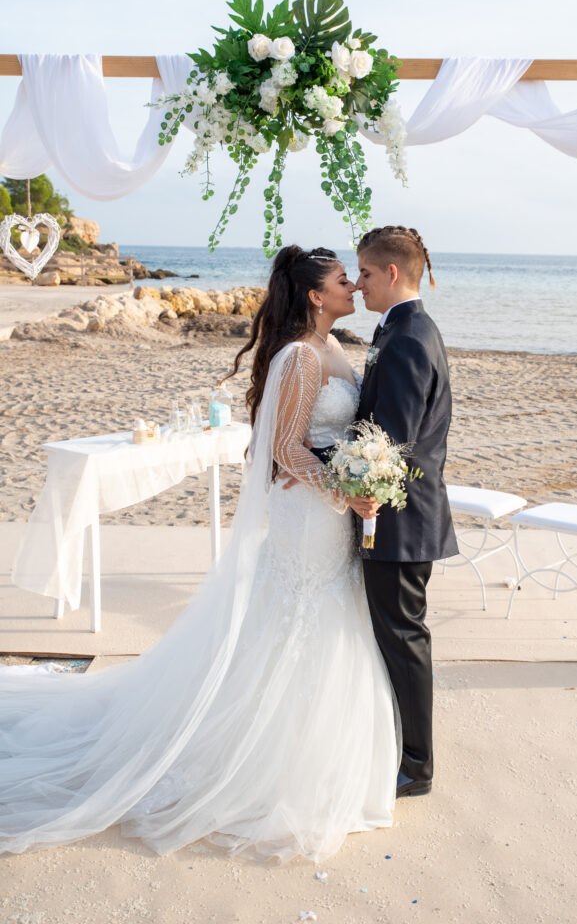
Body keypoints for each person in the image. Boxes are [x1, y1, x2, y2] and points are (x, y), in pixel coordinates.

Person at [0, 246, 400, 863]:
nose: (353, 285)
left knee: (325, 617)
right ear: (316, 296)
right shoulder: (297, 354)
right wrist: (346, 491)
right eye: (343, 280)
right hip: (309, 517)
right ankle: (256, 761)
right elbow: (287, 449)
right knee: (297, 617)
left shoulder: (337, 347)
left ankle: (308, 749)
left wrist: (356, 482)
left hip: (330, 513)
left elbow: (325, 440)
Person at [354, 225, 458, 798]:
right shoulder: (401, 328)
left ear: (391, 273)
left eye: (365, 273)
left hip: (398, 519)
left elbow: (389, 442)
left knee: (403, 636)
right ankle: (399, 747)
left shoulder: (410, 336)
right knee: (395, 635)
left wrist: (348, 482)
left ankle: (416, 767)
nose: (360, 283)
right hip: (398, 515)